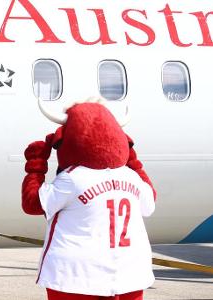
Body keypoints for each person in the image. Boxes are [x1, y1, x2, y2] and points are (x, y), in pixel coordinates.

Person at [22, 99, 156, 300]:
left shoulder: (73, 177)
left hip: (76, 277)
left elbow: (32, 203)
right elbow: (150, 204)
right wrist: (134, 162)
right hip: (130, 272)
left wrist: (36, 163)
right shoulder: (132, 177)